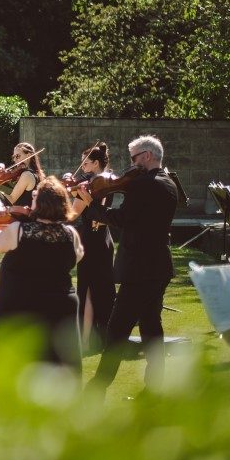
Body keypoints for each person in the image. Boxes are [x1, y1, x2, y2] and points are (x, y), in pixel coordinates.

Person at [0, 176, 83, 384]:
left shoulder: (20, 230)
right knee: (57, 363)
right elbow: (77, 256)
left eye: (34, 198)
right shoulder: (70, 234)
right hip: (61, 306)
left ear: (39, 204)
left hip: (22, 304)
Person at [80, 135, 177, 395]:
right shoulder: (168, 183)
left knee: (117, 330)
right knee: (151, 327)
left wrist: (90, 207)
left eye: (133, 158)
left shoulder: (144, 185)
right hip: (159, 266)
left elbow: (123, 218)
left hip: (140, 270)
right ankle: (154, 390)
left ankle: (96, 390)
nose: (130, 166)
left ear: (146, 155)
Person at [66, 142, 116, 351]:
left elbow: (73, 213)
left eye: (86, 164)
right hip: (104, 239)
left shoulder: (92, 185)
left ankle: (85, 341)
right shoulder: (108, 179)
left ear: (96, 163)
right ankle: (98, 338)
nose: (83, 167)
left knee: (87, 291)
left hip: (91, 240)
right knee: (100, 290)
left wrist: (68, 194)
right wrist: (73, 189)